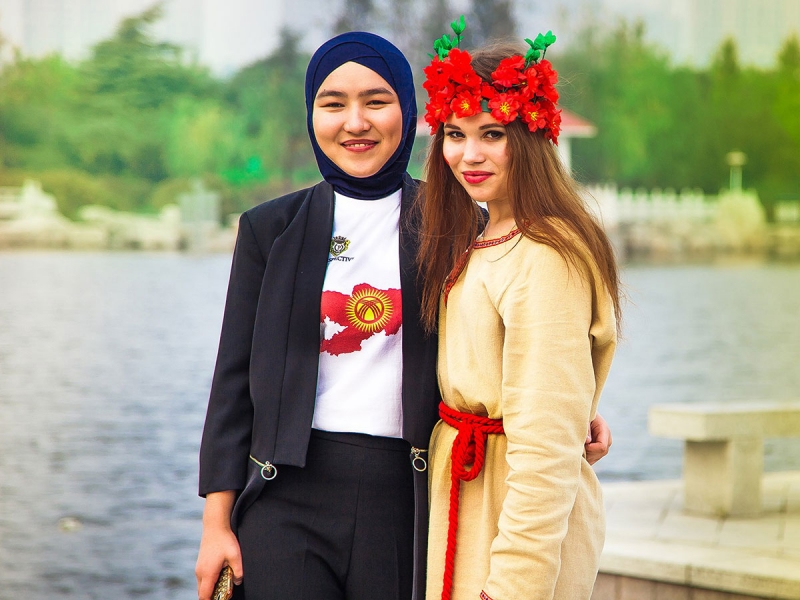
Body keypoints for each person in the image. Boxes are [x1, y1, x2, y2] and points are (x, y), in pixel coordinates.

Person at [195, 30, 612, 600]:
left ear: (408, 112)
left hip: (409, 495)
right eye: (333, 104)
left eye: (376, 101)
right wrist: (216, 524)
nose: (355, 122)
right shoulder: (271, 230)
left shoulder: (458, 222)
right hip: (285, 493)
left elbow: (525, 345)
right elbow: (232, 384)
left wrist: (576, 414)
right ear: (311, 114)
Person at [415, 25, 622, 600]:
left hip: (512, 522)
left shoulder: (546, 255)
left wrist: (512, 588)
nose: (468, 154)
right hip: (475, 495)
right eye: (454, 134)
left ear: (530, 138)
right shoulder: (491, 234)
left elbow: (546, 453)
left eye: (492, 133)